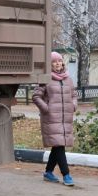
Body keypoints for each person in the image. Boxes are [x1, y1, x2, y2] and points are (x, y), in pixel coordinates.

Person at [33, 51, 77, 186]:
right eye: (54, 62)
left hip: (65, 118)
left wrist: (73, 106)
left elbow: (74, 95)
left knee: (58, 145)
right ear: (50, 65)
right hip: (51, 118)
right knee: (59, 146)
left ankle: (48, 172)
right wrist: (47, 109)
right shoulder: (45, 79)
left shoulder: (68, 79)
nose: (58, 63)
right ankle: (66, 175)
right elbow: (36, 97)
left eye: (59, 61)